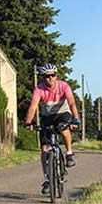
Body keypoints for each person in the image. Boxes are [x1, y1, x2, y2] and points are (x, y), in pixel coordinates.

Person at [23, 63, 80, 195]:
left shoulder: (64, 86)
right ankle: (48, 179)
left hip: (62, 113)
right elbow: (33, 106)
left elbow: (72, 102)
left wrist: (76, 119)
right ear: (43, 78)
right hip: (47, 116)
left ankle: (69, 153)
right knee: (44, 149)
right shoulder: (39, 89)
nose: (50, 78)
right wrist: (28, 122)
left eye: (53, 75)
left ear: (56, 76)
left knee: (63, 129)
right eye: (47, 76)